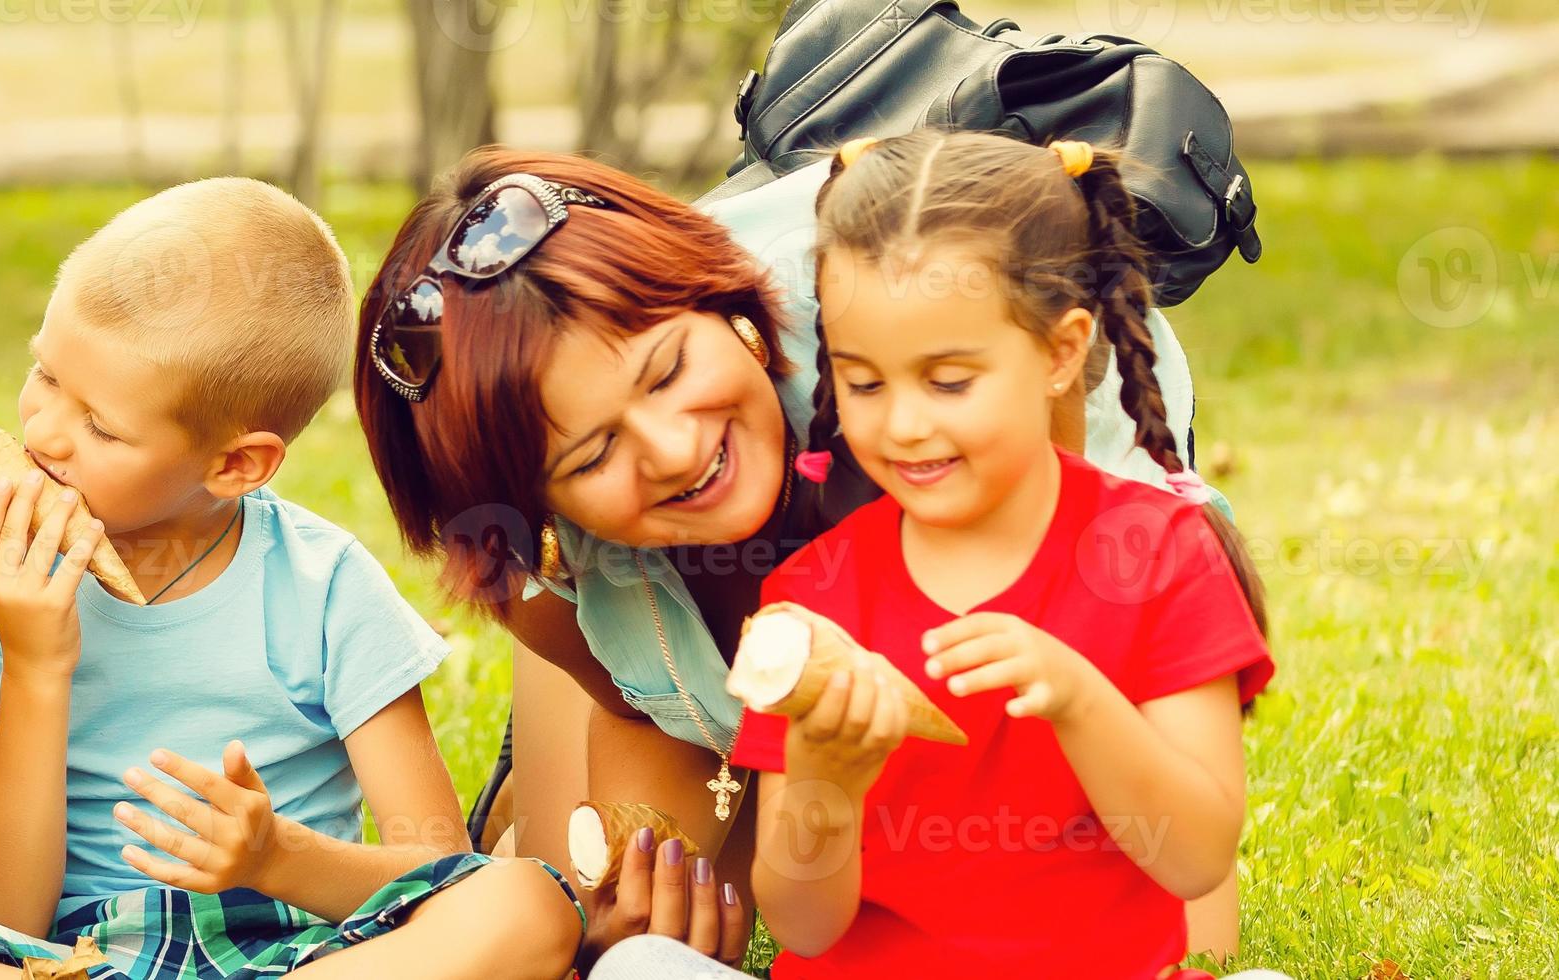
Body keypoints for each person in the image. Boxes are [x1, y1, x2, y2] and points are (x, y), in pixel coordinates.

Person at [349, 146, 1235, 961]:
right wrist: (630, 898)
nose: (672, 447)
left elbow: (1190, 881)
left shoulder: (943, 364)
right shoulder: (553, 567)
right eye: (594, 455)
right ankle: (526, 816)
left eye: (667, 373)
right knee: (604, 933)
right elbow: (788, 900)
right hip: (670, 642)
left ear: (715, 302)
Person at [0, 178, 583, 979]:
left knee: (521, 904)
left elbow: (435, 880)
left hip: (292, 953)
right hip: (61, 959)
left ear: (235, 464)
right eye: (44, 376)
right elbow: (0, 911)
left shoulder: (323, 588)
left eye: (100, 426)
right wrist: (35, 663)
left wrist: (275, 856)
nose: (41, 431)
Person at [729, 132, 1270, 977]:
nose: (903, 424)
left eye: (948, 381)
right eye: (864, 382)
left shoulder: (1157, 551)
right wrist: (824, 789)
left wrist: (1081, 700)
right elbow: (804, 928)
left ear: (1060, 353)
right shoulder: (814, 595)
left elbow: (1198, 856)